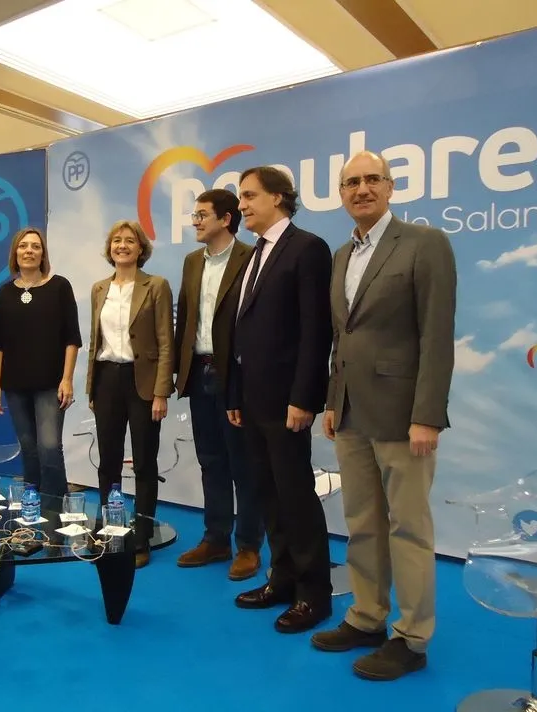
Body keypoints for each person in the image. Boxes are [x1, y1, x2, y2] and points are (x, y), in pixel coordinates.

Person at [311, 150, 457, 682]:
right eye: (351, 182)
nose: (362, 189)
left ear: (391, 187)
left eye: (372, 179)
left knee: (409, 528)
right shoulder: (341, 255)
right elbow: (342, 335)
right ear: (341, 194)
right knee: (362, 524)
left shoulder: (424, 243)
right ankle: (367, 616)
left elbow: (436, 335)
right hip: (351, 412)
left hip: (403, 415)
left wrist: (428, 415)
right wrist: (333, 400)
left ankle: (412, 638)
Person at [227, 167, 333, 633]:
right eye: (240, 197)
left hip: (288, 400)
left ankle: (314, 595)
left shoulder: (307, 248)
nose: (242, 205)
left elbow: (316, 330)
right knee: (268, 493)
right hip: (252, 399)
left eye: (250, 195)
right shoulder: (255, 252)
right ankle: (283, 579)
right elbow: (242, 330)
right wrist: (235, 392)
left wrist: (304, 397)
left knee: (296, 496)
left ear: (278, 197)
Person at [174, 188, 263, 580]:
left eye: (202, 215)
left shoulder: (252, 258)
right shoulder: (192, 261)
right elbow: (185, 318)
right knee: (210, 460)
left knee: (244, 463)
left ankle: (249, 545)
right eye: (194, 215)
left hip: (236, 375)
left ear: (226, 219)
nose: (195, 222)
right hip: (199, 371)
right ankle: (216, 539)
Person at [86, 220, 175, 569]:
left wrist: (161, 392)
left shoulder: (156, 285)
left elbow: (166, 341)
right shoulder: (99, 288)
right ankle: (110, 529)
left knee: (144, 463)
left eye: (129, 241)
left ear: (141, 249)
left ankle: (142, 538)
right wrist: (92, 387)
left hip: (144, 384)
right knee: (108, 461)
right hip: (107, 379)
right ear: (110, 249)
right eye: (116, 241)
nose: (122, 245)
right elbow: (95, 342)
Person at [0, 227, 81, 499]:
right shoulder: (5, 293)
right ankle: (33, 507)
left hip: (50, 384)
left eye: (35, 246)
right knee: (28, 448)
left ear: (43, 254)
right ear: (15, 253)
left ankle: (54, 508)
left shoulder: (59, 287)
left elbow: (72, 338)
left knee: (49, 448)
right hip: (15, 385)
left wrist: (67, 379)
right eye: (23, 246)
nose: (29, 250)